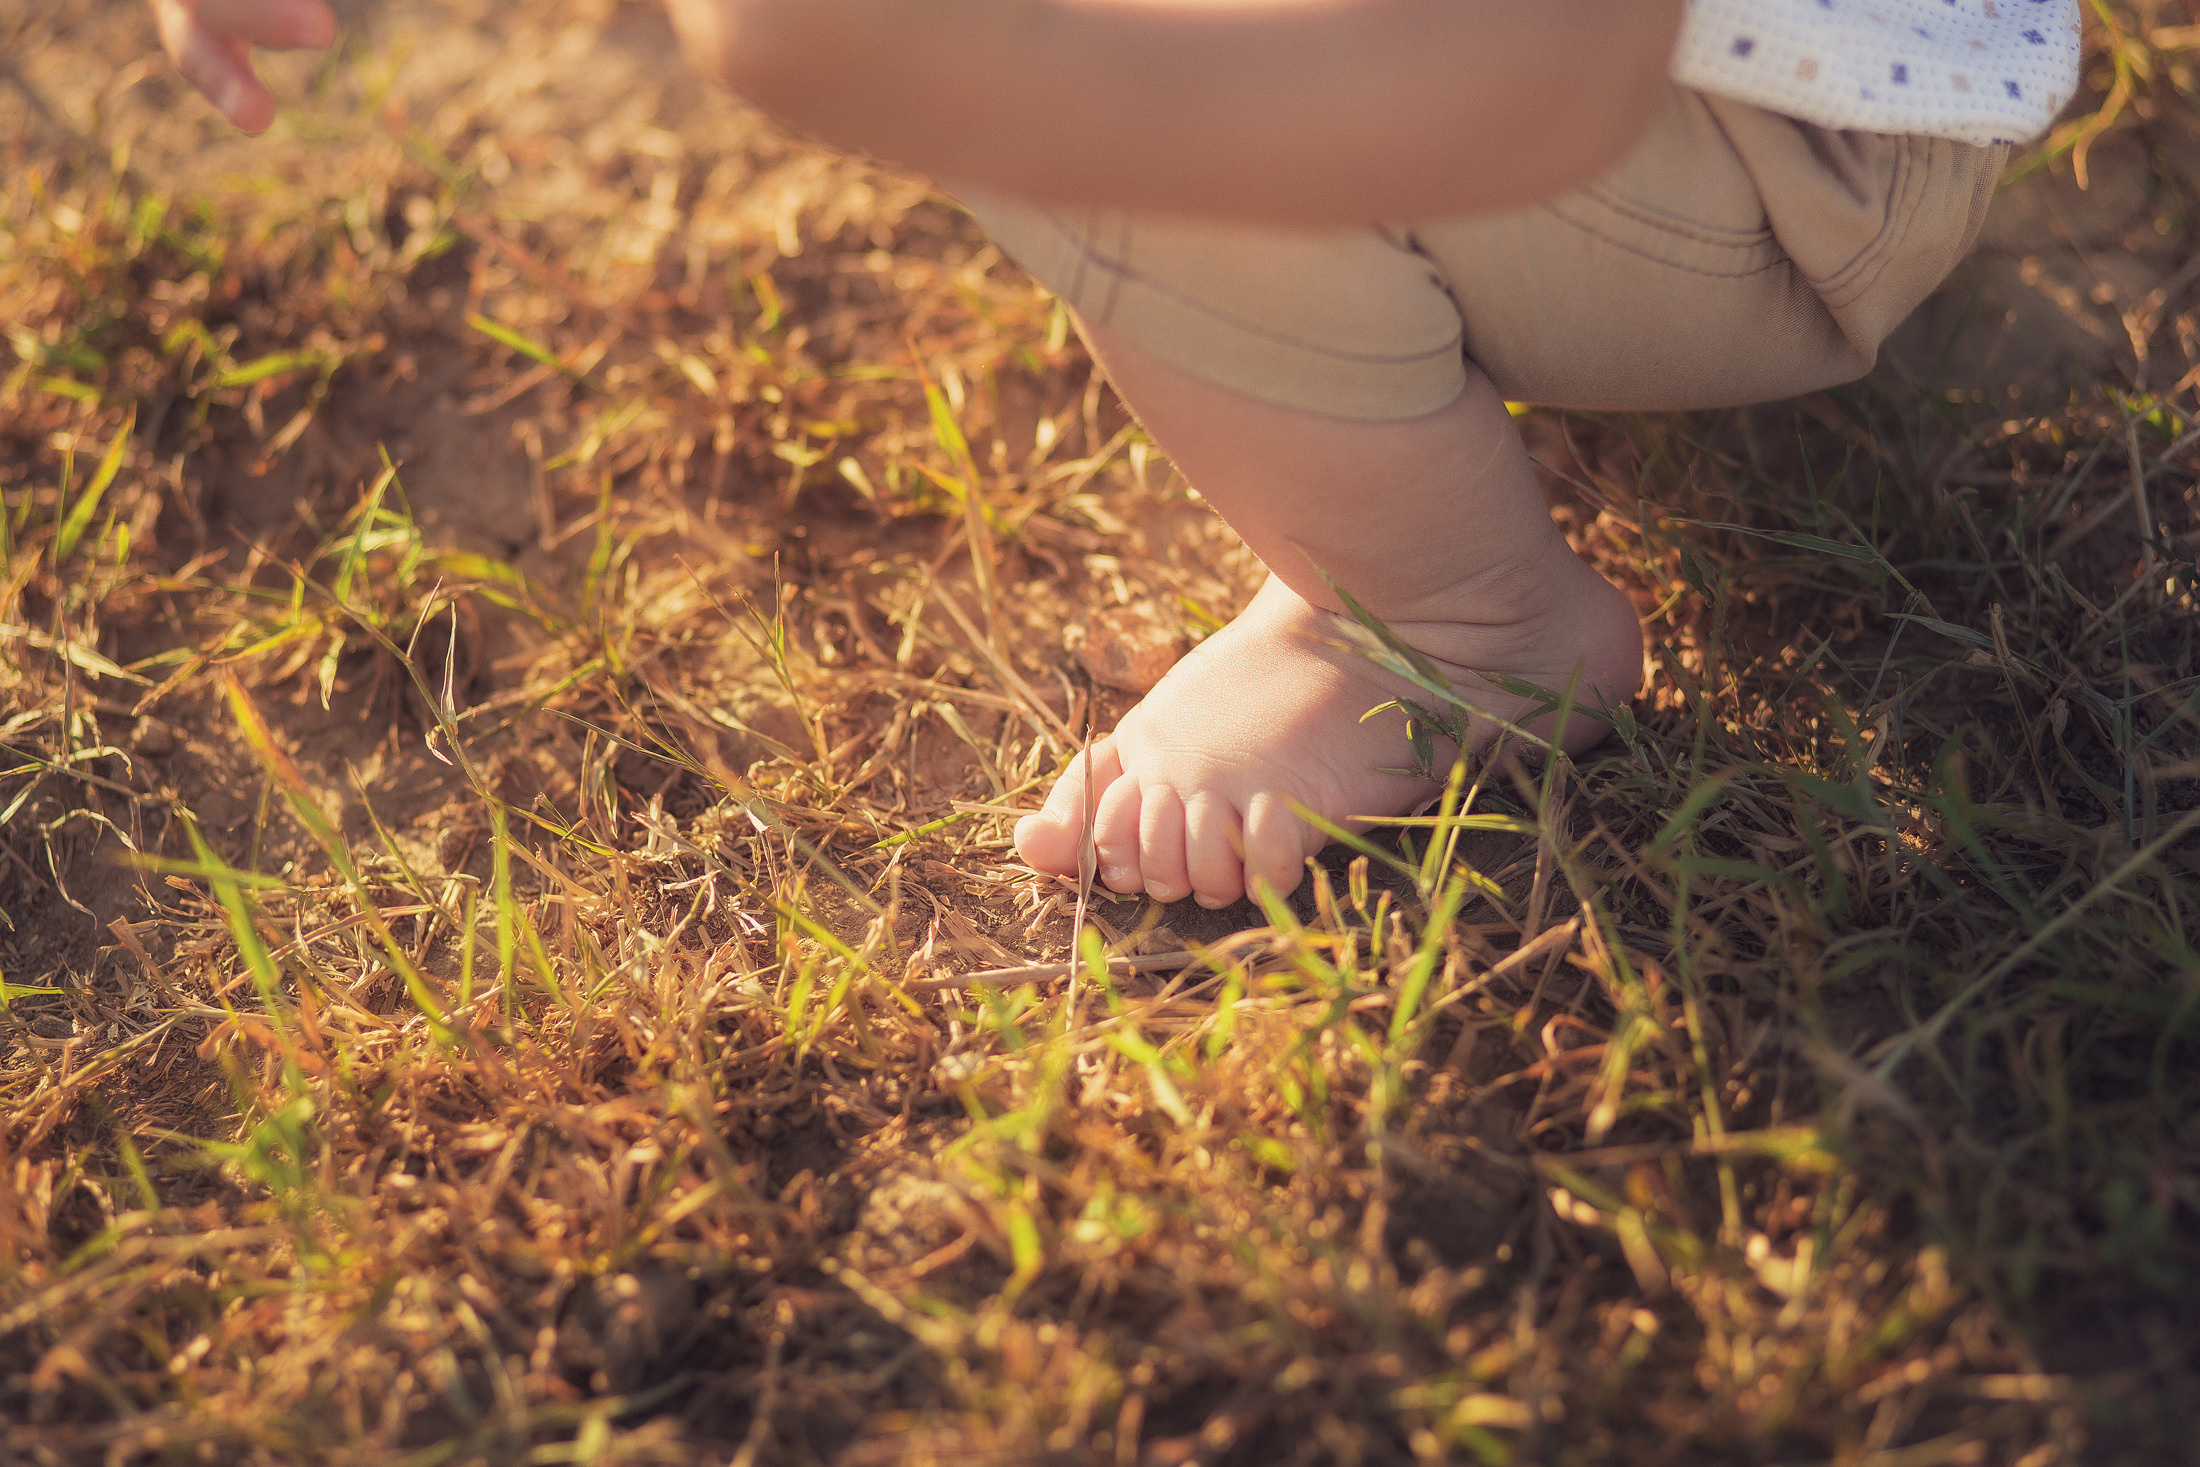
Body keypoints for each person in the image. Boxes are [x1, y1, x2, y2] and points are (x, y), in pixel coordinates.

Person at [149, 0, 2082, 909]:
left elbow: (1538, 71)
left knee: (1094, 121)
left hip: (1767, 155)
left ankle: (1455, 614)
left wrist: (1080, 83)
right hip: (1713, 101)